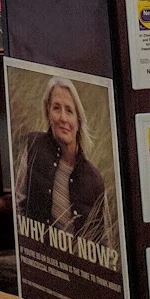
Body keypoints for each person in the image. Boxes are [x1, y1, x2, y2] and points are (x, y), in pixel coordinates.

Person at [16, 77, 110, 245]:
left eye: (69, 111)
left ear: (78, 121)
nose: (63, 118)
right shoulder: (32, 146)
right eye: (56, 108)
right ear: (48, 113)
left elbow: (101, 239)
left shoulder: (94, 179)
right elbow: (18, 207)